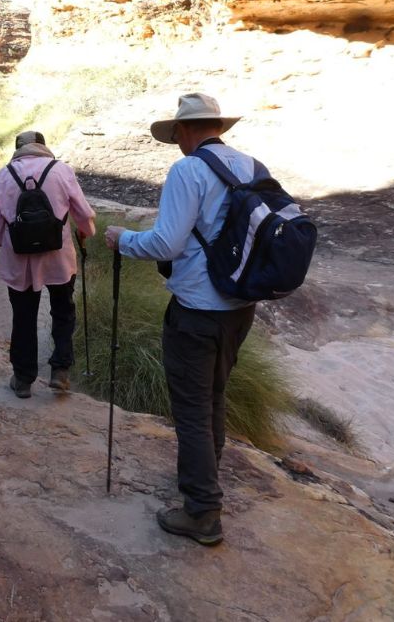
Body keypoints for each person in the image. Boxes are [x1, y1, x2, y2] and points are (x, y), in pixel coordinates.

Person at [104, 93, 254, 547]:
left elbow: (166, 245)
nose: (177, 144)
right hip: (239, 306)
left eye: (176, 135)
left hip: (196, 307)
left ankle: (203, 509)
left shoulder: (189, 170)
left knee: (190, 408)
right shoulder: (249, 165)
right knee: (214, 394)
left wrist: (123, 238)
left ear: (186, 130)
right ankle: (205, 475)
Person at [0, 130, 95, 397]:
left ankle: (23, 379)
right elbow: (83, 214)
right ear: (43, 147)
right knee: (63, 311)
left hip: (18, 259)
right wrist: (85, 231)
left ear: (18, 149)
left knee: (23, 317)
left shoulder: (4, 175)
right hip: (58, 258)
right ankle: (60, 370)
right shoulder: (61, 170)